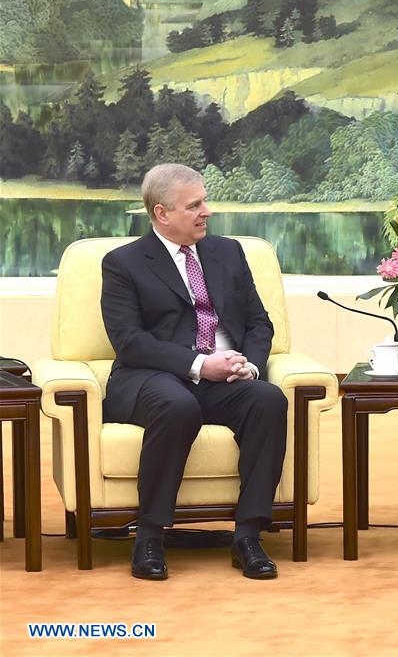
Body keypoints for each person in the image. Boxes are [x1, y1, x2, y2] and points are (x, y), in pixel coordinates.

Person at [101, 163, 288, 581]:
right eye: (195, 205)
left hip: (226, 374)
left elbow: (260, 323)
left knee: (268, 399)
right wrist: (202, 365)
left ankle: (248, 535)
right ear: (162, 213)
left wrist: (249, 366)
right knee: (177, 403)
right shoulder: (123, 263)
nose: (208, 211)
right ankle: (149, 536)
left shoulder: (228, 252)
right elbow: (130, 341)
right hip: (154, 376)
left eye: (205, 200)